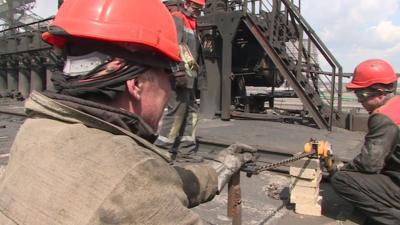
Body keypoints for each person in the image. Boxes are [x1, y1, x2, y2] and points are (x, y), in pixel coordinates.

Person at [0, 0, 256, 224]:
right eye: (168, 74)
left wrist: (218, 170)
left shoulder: (35, 130)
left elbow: (154, 184)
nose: (169, 90)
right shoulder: (134, 176)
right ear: (136, 84)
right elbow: (139, 184)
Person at [329, 59, 400, 225]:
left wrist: (344, 168)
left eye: (362, 95)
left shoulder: (384, 117)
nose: (359, 101)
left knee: (341, 180)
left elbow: (370, 164)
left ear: (380, 93)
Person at [155, 0, 205, 162]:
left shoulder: (192, 23)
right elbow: (173, 47)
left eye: (200, 9)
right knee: (176, 113)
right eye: (195, 8)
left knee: (191, 113)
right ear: (186, 4)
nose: (197, 11)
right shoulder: (178, 19)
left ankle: (186, 151)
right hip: (181, 77)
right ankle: (162, 150)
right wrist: (177, 73)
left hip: (189, 78)